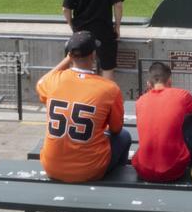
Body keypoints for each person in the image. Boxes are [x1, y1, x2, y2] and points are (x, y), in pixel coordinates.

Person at [36, 32, 130, 182]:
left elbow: (41, 82)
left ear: (70, 55)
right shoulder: (109, 88)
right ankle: (116, 184)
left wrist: (67, 60)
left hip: (51, 167)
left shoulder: (54, 81)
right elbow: (116, 129)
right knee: (124, 136)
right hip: (89, 170)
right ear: (93, 55)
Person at [132, 61, 192, 183]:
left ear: (148, 84)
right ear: (170, 81)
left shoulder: (139, 102)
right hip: (174, 170)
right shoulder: (183, 96)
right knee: (189, 118)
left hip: (143, 170)